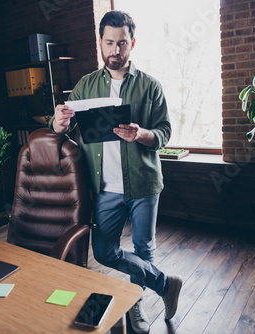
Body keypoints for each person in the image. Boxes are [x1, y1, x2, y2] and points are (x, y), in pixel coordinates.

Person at [50, 10, 182, 333]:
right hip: (105, 187)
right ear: (101, 43)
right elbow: (58, 129)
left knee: (143, 249)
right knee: (104, 251)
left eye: (122, 43)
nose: (115, 50)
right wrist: (58, 123)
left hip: (143, 183)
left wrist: (142, 134)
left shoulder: (150, 86)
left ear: (132, 43)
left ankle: (135, 305)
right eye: (109, 42)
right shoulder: (85, 86)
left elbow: (165, 132)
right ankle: (165, 284)